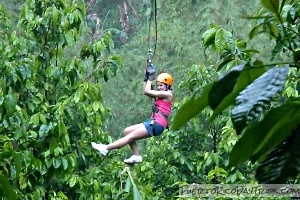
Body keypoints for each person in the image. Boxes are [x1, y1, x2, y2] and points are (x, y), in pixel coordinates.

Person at [91, 65, 173, 164]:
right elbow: (145, 91)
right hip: (153, 122)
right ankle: (136, 155)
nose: (159, 88)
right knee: (127, 131)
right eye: (158, 85)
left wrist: (151, 79)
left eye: (161, 85)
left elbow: (148, 91)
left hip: (157, 124)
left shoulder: (168, 94)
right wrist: (146, 77)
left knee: (130, 137)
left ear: (167, 86)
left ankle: (106, 148)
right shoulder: (161, 94)